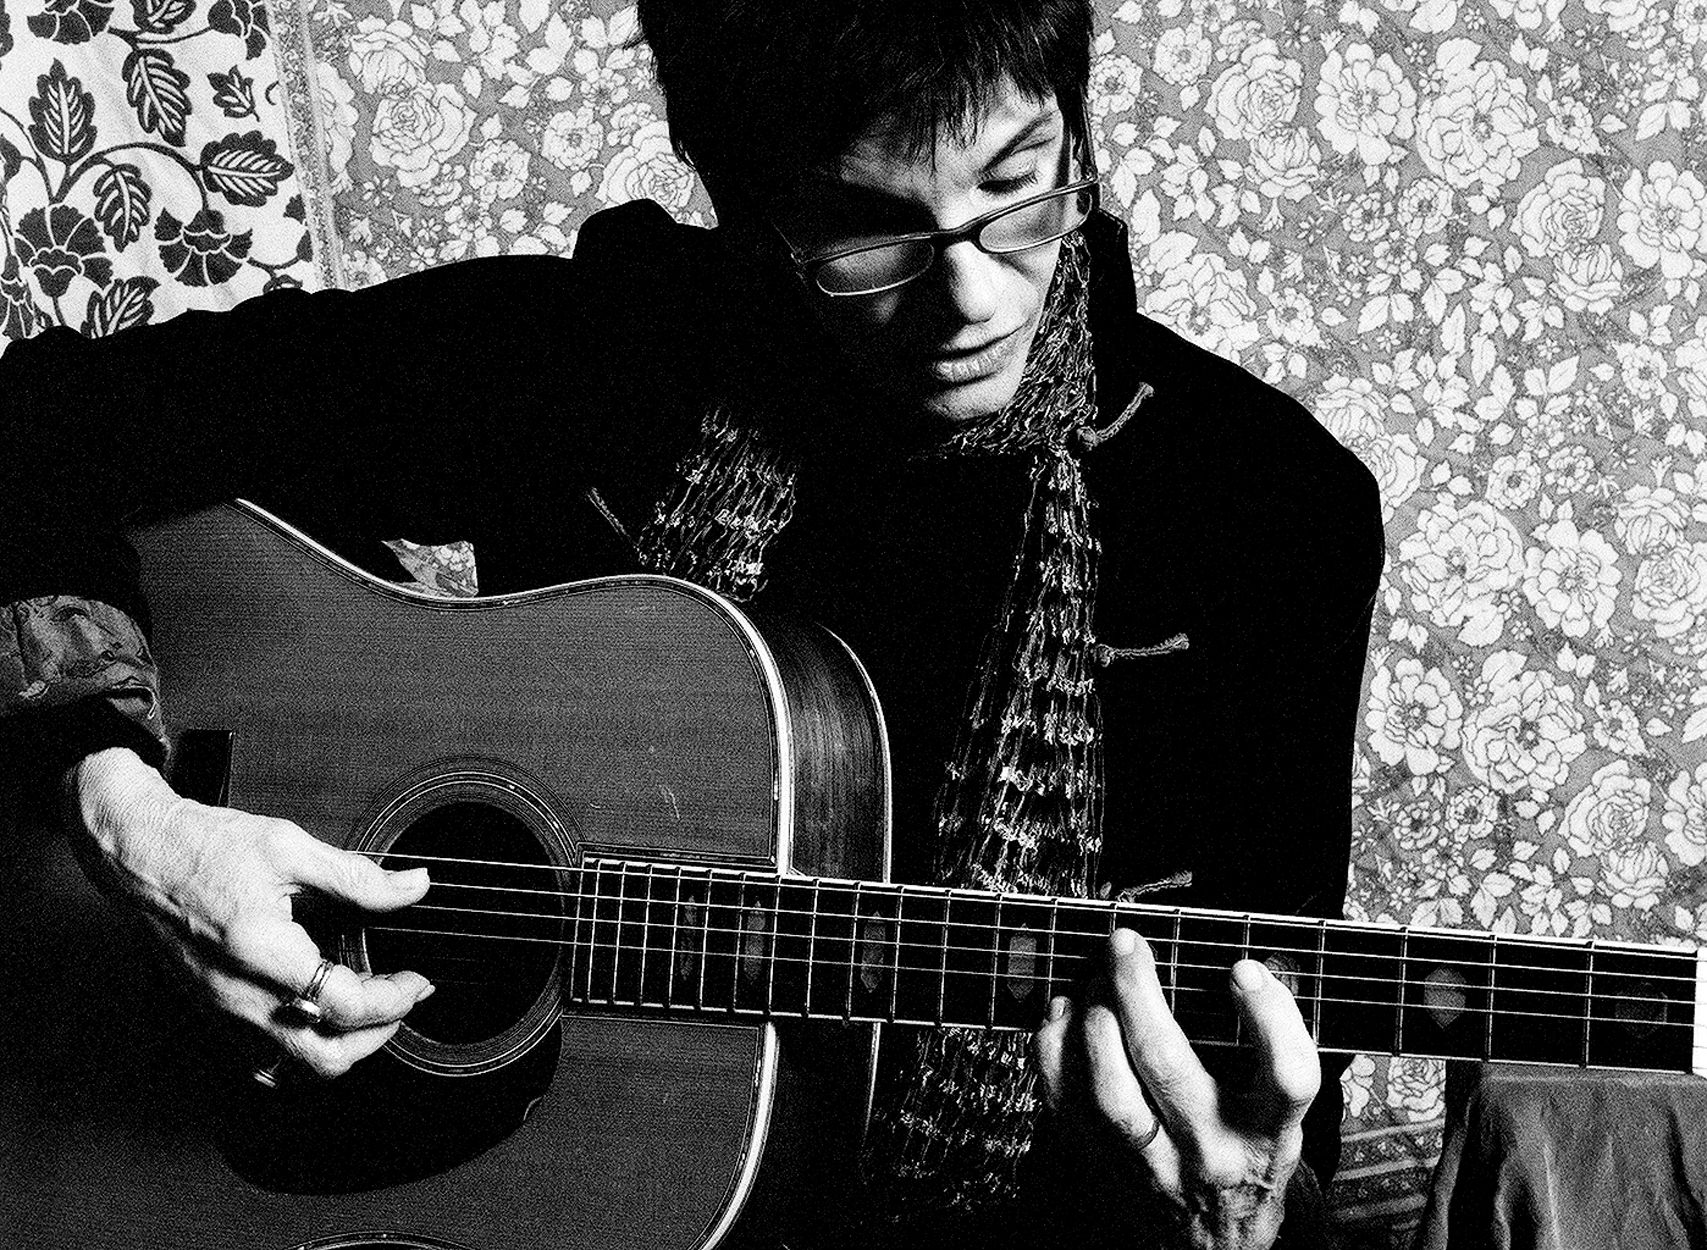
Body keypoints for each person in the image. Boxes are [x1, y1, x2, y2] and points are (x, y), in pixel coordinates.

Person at [0, 1, 1384, 1246]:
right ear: (744, 199)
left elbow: (1269, 1114)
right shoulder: (606, 352)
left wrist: (1234, 1216)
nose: (971, 295)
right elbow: (34, 429)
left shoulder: (1267, 512)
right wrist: (125, 810)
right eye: (868, 228)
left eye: (1019, 185)